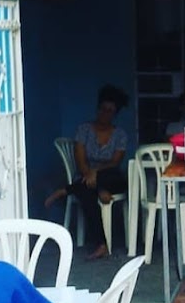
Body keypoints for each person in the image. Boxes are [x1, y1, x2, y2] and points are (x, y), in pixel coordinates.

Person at [46, 83, 129, 259]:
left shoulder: (120, 134)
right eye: (103, 109)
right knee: (86, 194)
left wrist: (95, 173)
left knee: (109, 177)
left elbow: (115, 162)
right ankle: (102, 244)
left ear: (115, 114)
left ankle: (66, 190)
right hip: (86, 177)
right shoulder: (84, 130)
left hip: (111, 178)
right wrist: (90, 176)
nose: (105, 114)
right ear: (98, 109)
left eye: (110, 111)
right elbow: (80, 159)